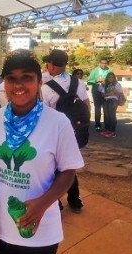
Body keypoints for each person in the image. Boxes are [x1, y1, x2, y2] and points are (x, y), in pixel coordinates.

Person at [0, 49, 84, 254]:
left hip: (42, 228)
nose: (18, 85)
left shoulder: (58, 122)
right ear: (4, 84)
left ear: (39, 82)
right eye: (12, 79)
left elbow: (69, 171)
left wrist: (42, 204)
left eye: (27, 78)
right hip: (2, 227)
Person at [41, 49, 90, 213]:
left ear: (52, 66)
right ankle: (75, 200)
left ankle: (57, 202)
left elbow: (44, 116)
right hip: (75, 131)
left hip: (55, 134)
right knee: (69, 166)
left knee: (53, 168)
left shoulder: (46, 89)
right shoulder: (78, 83)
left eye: (48, 63)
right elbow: (86, 106)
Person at [87, 58, 112, 132]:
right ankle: (97, 125)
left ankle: (107, 125)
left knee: (106, 109)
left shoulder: (110, 70)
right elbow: (89, 81)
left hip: (106, 92)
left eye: (105, 63)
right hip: (96, 92)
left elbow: (113, 81)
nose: (104, 65)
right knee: (97, 109)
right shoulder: (95, 71)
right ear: (99, 63)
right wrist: (96, 80)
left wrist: (106, 82)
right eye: (102, 63)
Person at [98, 72, 124, 138]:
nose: (110, 78)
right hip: (106, 100)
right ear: (107, 78)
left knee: (112, 115)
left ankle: (112, 132)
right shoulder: (105, 85)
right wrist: (110, 93)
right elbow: (103, 94)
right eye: (109, 77)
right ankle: (107, 130)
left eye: (112, 77)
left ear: (114, 78)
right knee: (106, 116)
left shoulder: (117, 84)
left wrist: (115, 91)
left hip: (113, 100)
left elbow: (120, 93)